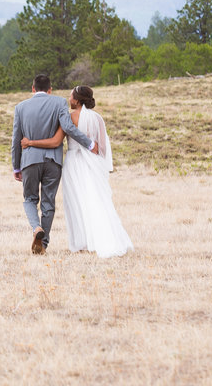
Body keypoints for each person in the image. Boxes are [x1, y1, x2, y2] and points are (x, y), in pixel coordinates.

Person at [22, 85, 133, 258]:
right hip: (93, 163)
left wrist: (30, 143)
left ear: (77, 99)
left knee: (76, 202)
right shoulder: (97, 119)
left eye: (71, 96)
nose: (69, 99)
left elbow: (55, 141)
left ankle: (82, 242)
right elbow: (101, 148)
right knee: (96, 200)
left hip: (74, 163)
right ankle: (104, 239)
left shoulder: (70, 117)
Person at [11, 74, 97, 254]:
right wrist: (88, 143)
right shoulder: (59, 103)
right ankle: (43, 243)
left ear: (33, 88)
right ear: (50, 90)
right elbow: (68, 127)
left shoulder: (20, 108)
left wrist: (16, 166)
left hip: (30, 160)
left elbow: (16, 139)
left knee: (30, 199)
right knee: (48, 203)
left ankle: (36, 228)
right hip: (53, 162)